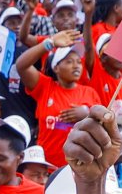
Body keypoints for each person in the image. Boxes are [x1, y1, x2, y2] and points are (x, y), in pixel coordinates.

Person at [16, 29, 100, 168]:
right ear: (56, 68)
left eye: (79, 62)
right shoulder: (45, 87)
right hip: (46, 168)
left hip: (79, 170)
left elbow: (103, 125)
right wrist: (49, 43)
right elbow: (21, 66)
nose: (76, 66)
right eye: (69, 62)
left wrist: (87, 114)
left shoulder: (89, 92)